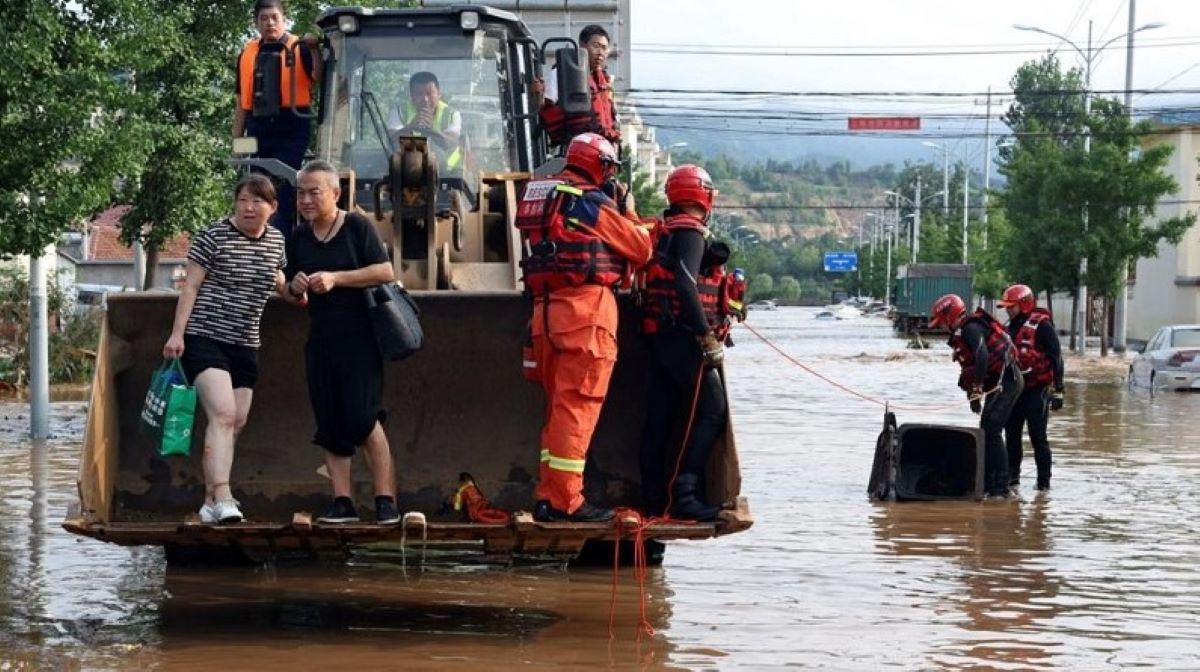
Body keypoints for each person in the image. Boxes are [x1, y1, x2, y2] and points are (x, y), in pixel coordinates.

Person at [515, 132, 652, 522]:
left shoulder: (545, 198)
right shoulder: (591, 203)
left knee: (558, 412)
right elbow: (640, 249)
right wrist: (627, 208)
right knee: (577, 410)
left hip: (544, 316)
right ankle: (565, 501)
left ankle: (548, 495)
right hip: (585, 317)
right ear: (600, 166)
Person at [163, 174, 299, 524]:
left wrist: (295, 292)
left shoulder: (276, 242)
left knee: (236, 422)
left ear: (273, 208)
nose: (249, 207)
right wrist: (177, 334)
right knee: (222, 415)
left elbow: (278, 280)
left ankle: (210, 502)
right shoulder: (213, 236)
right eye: (243, 200)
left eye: (258, 201)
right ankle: (224, 495)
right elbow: (190, 287)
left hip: (246, 342)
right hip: (205, 336)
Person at [286, 160, 400, 525]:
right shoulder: (299, 236)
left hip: (360, 338)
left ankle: (386, 502)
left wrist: (337, 278)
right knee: (330, 422)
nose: (305, 200)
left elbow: (385, 271)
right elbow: (288, 287)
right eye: (300, 193)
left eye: (313, 192)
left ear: (335, 194)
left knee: (364, 417)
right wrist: (296, 286)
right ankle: (343, 503)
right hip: (321, 340)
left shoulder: (356, 227)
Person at [637, 165, 742, 521]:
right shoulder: (690, 233)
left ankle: (653, 499)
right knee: (714, 410)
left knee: (662, 415)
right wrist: (706, 336)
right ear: (705, 195)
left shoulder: (665, 231)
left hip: (661, 337)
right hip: (682, 338)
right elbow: (685, 287)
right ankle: (684, 495)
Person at [233, 0, 322, 239]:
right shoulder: (247, 53)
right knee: (255, 186)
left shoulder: (300, 47)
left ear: (284, 19)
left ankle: (278, 243)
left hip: (291, 126)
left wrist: (314, 49)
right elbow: (241, 103)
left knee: (281, 187)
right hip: (257, 127)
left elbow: (316, 75)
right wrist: (236, 143)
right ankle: (255, 240)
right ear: (256, 23)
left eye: (274, 17)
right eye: (264, 18)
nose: (270, 23)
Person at [929, 294, 1025, 499]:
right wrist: (975, 395)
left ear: (949, 316)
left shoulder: (970, 328)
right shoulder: (965, 330)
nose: (942, 327)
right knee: (987, 428)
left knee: (992, 430)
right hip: (1001, 381)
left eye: (942, 322)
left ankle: (1001, 489)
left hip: (1008, 380)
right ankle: (992, 484)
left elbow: (982, 355)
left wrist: (977, 387)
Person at [998, 284, 1064, 491]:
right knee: (1012, 434)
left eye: (1012, 306)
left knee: (1038, 437)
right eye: (1007, 306)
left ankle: (1043, 484)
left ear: (1024, 304)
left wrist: (1059, 390)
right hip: (1015, 391)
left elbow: (1057, 358)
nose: (1008, 310)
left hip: (1037, 390)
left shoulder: (1042, 326)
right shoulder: (1009, 328)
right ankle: (1012, 478)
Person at [534, 24, 621, 150]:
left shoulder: (604, 83)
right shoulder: (563, 72)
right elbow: (542, 106)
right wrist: (537, 94)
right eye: (596, 46)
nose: (600, 52)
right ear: (582, 46)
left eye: (604, 48)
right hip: (574, 148)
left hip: (601, 150)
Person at [388, 71, 463, 173]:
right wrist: (411, 127)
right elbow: (391, 141)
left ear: (439, 93)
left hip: (447, 172)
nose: (425, 99)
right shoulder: (399, 112)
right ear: (411, 96)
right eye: (419, 94)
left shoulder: (451, 115)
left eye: (430, 93)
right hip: (405, 173)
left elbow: (451, 143)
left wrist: (432, 129)